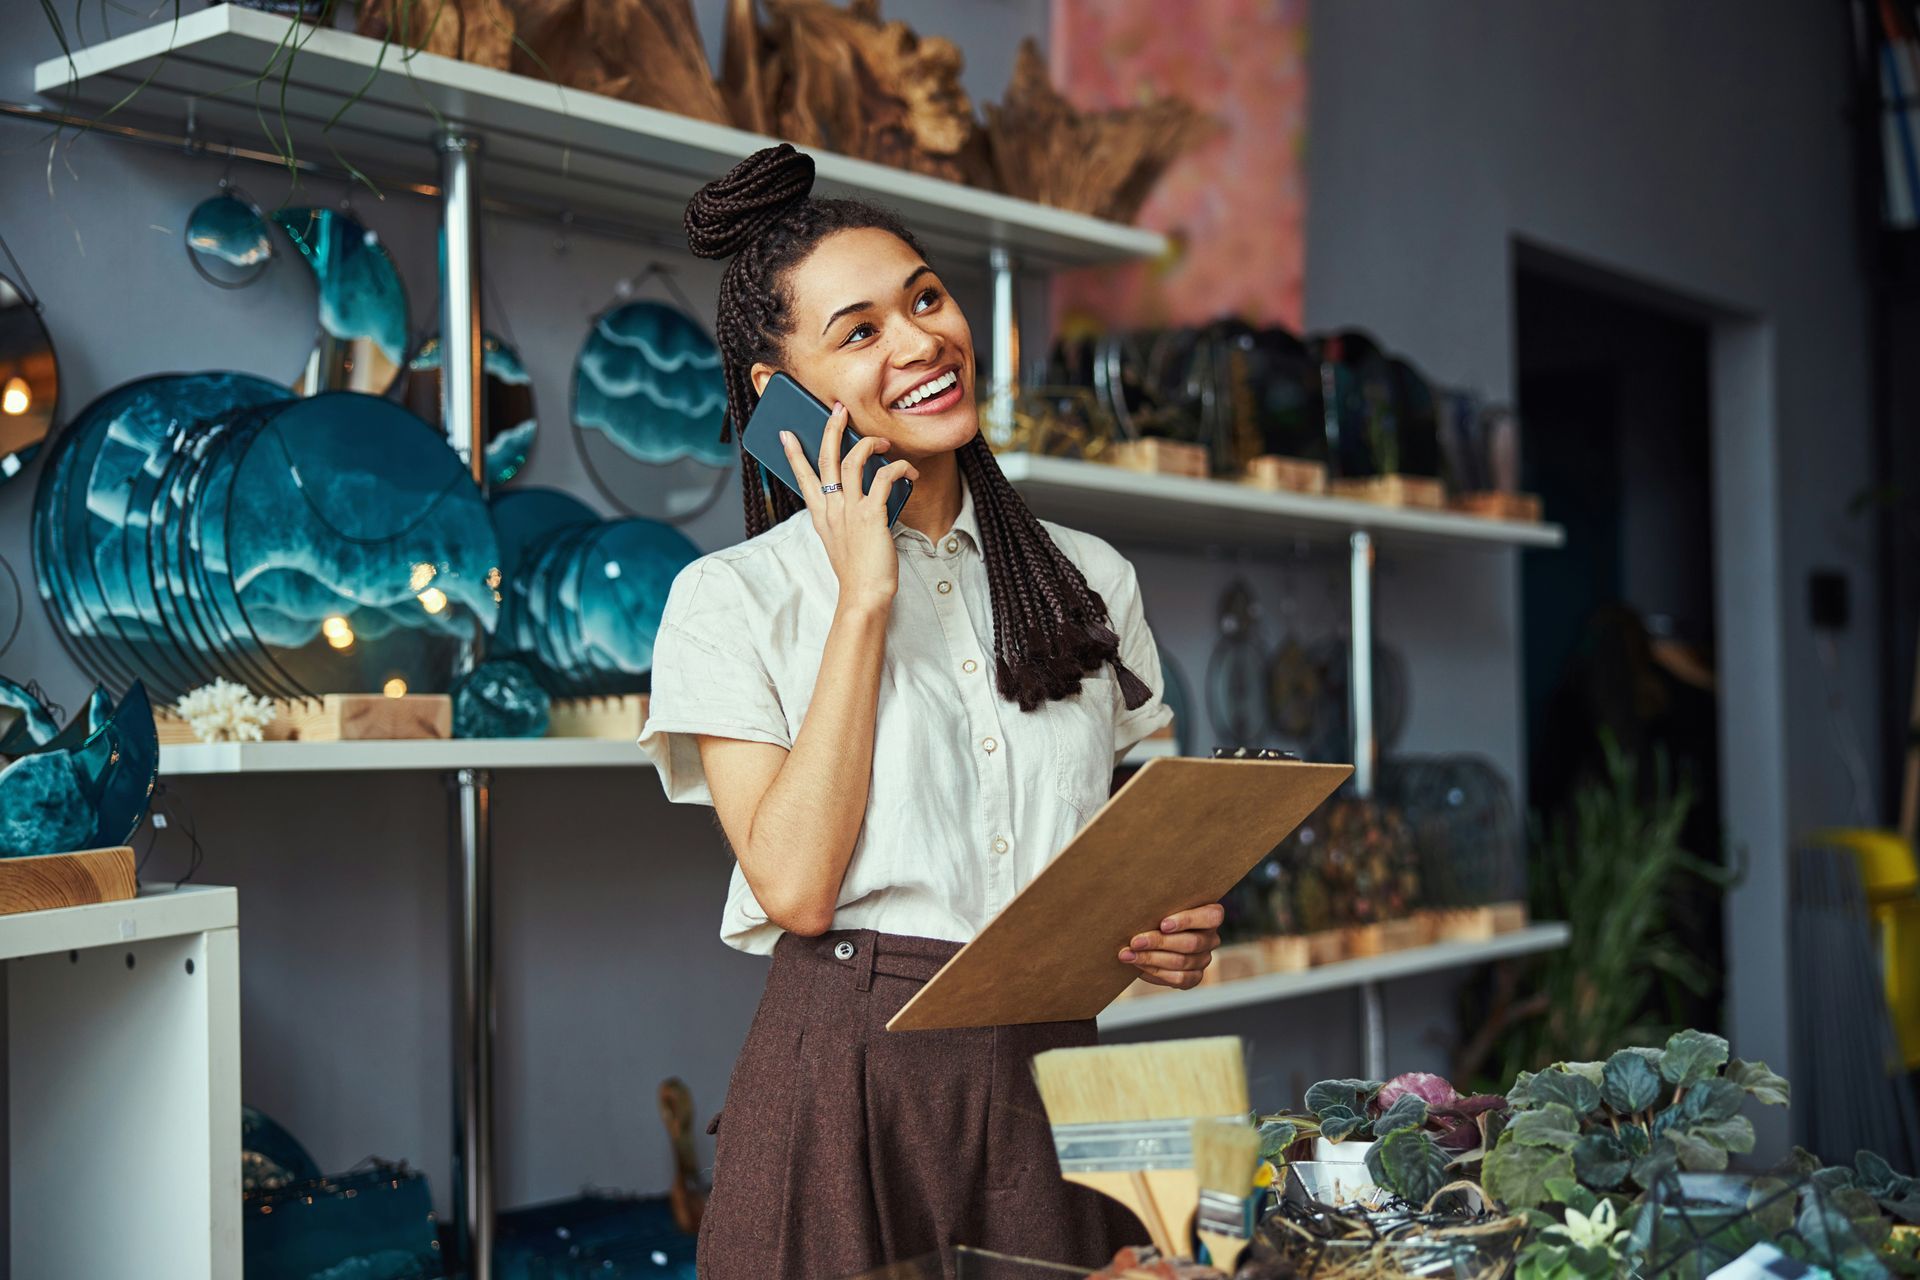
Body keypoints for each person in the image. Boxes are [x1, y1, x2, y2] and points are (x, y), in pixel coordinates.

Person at [637, 143, 1226, 1279]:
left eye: (924, 297)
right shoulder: (730, 600)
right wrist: (864, 597)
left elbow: (1142, 833)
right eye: (858, 331)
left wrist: (1178, 922)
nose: (919, 341)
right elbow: (797, 886)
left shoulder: (1088, 577)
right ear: (780, 396)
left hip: (1059, 1067)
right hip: (847, 1082)